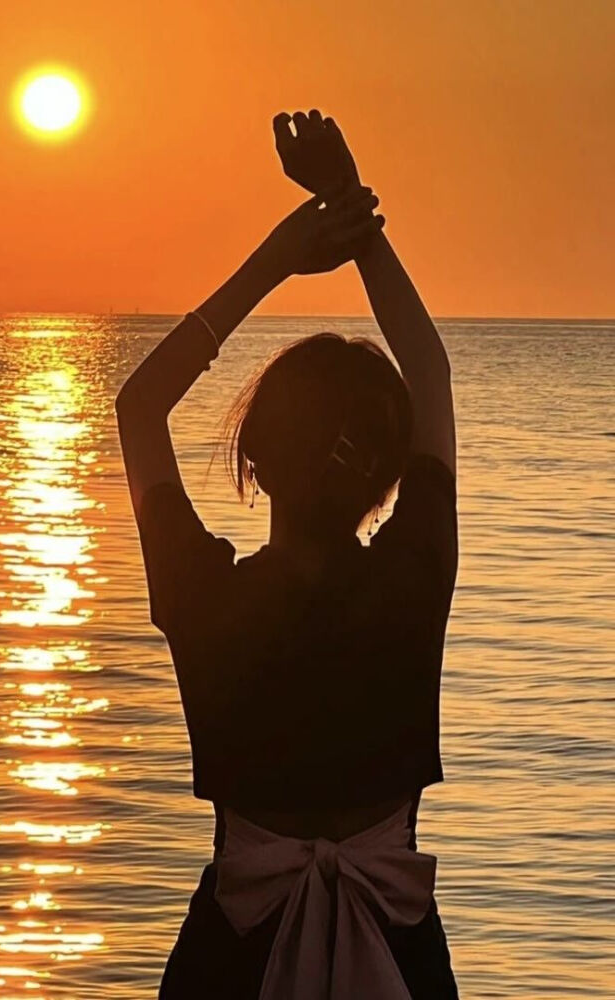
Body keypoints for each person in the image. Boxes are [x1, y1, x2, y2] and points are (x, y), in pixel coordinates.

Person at [115, 110, 460, 998]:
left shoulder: (201, 596)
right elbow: (429, 369)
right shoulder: (412, 581)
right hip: (402, 951)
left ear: (254, 461)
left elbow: (140, 407)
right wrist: (351, 211)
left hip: (233, 953)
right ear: (386, 477)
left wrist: (275, 260)